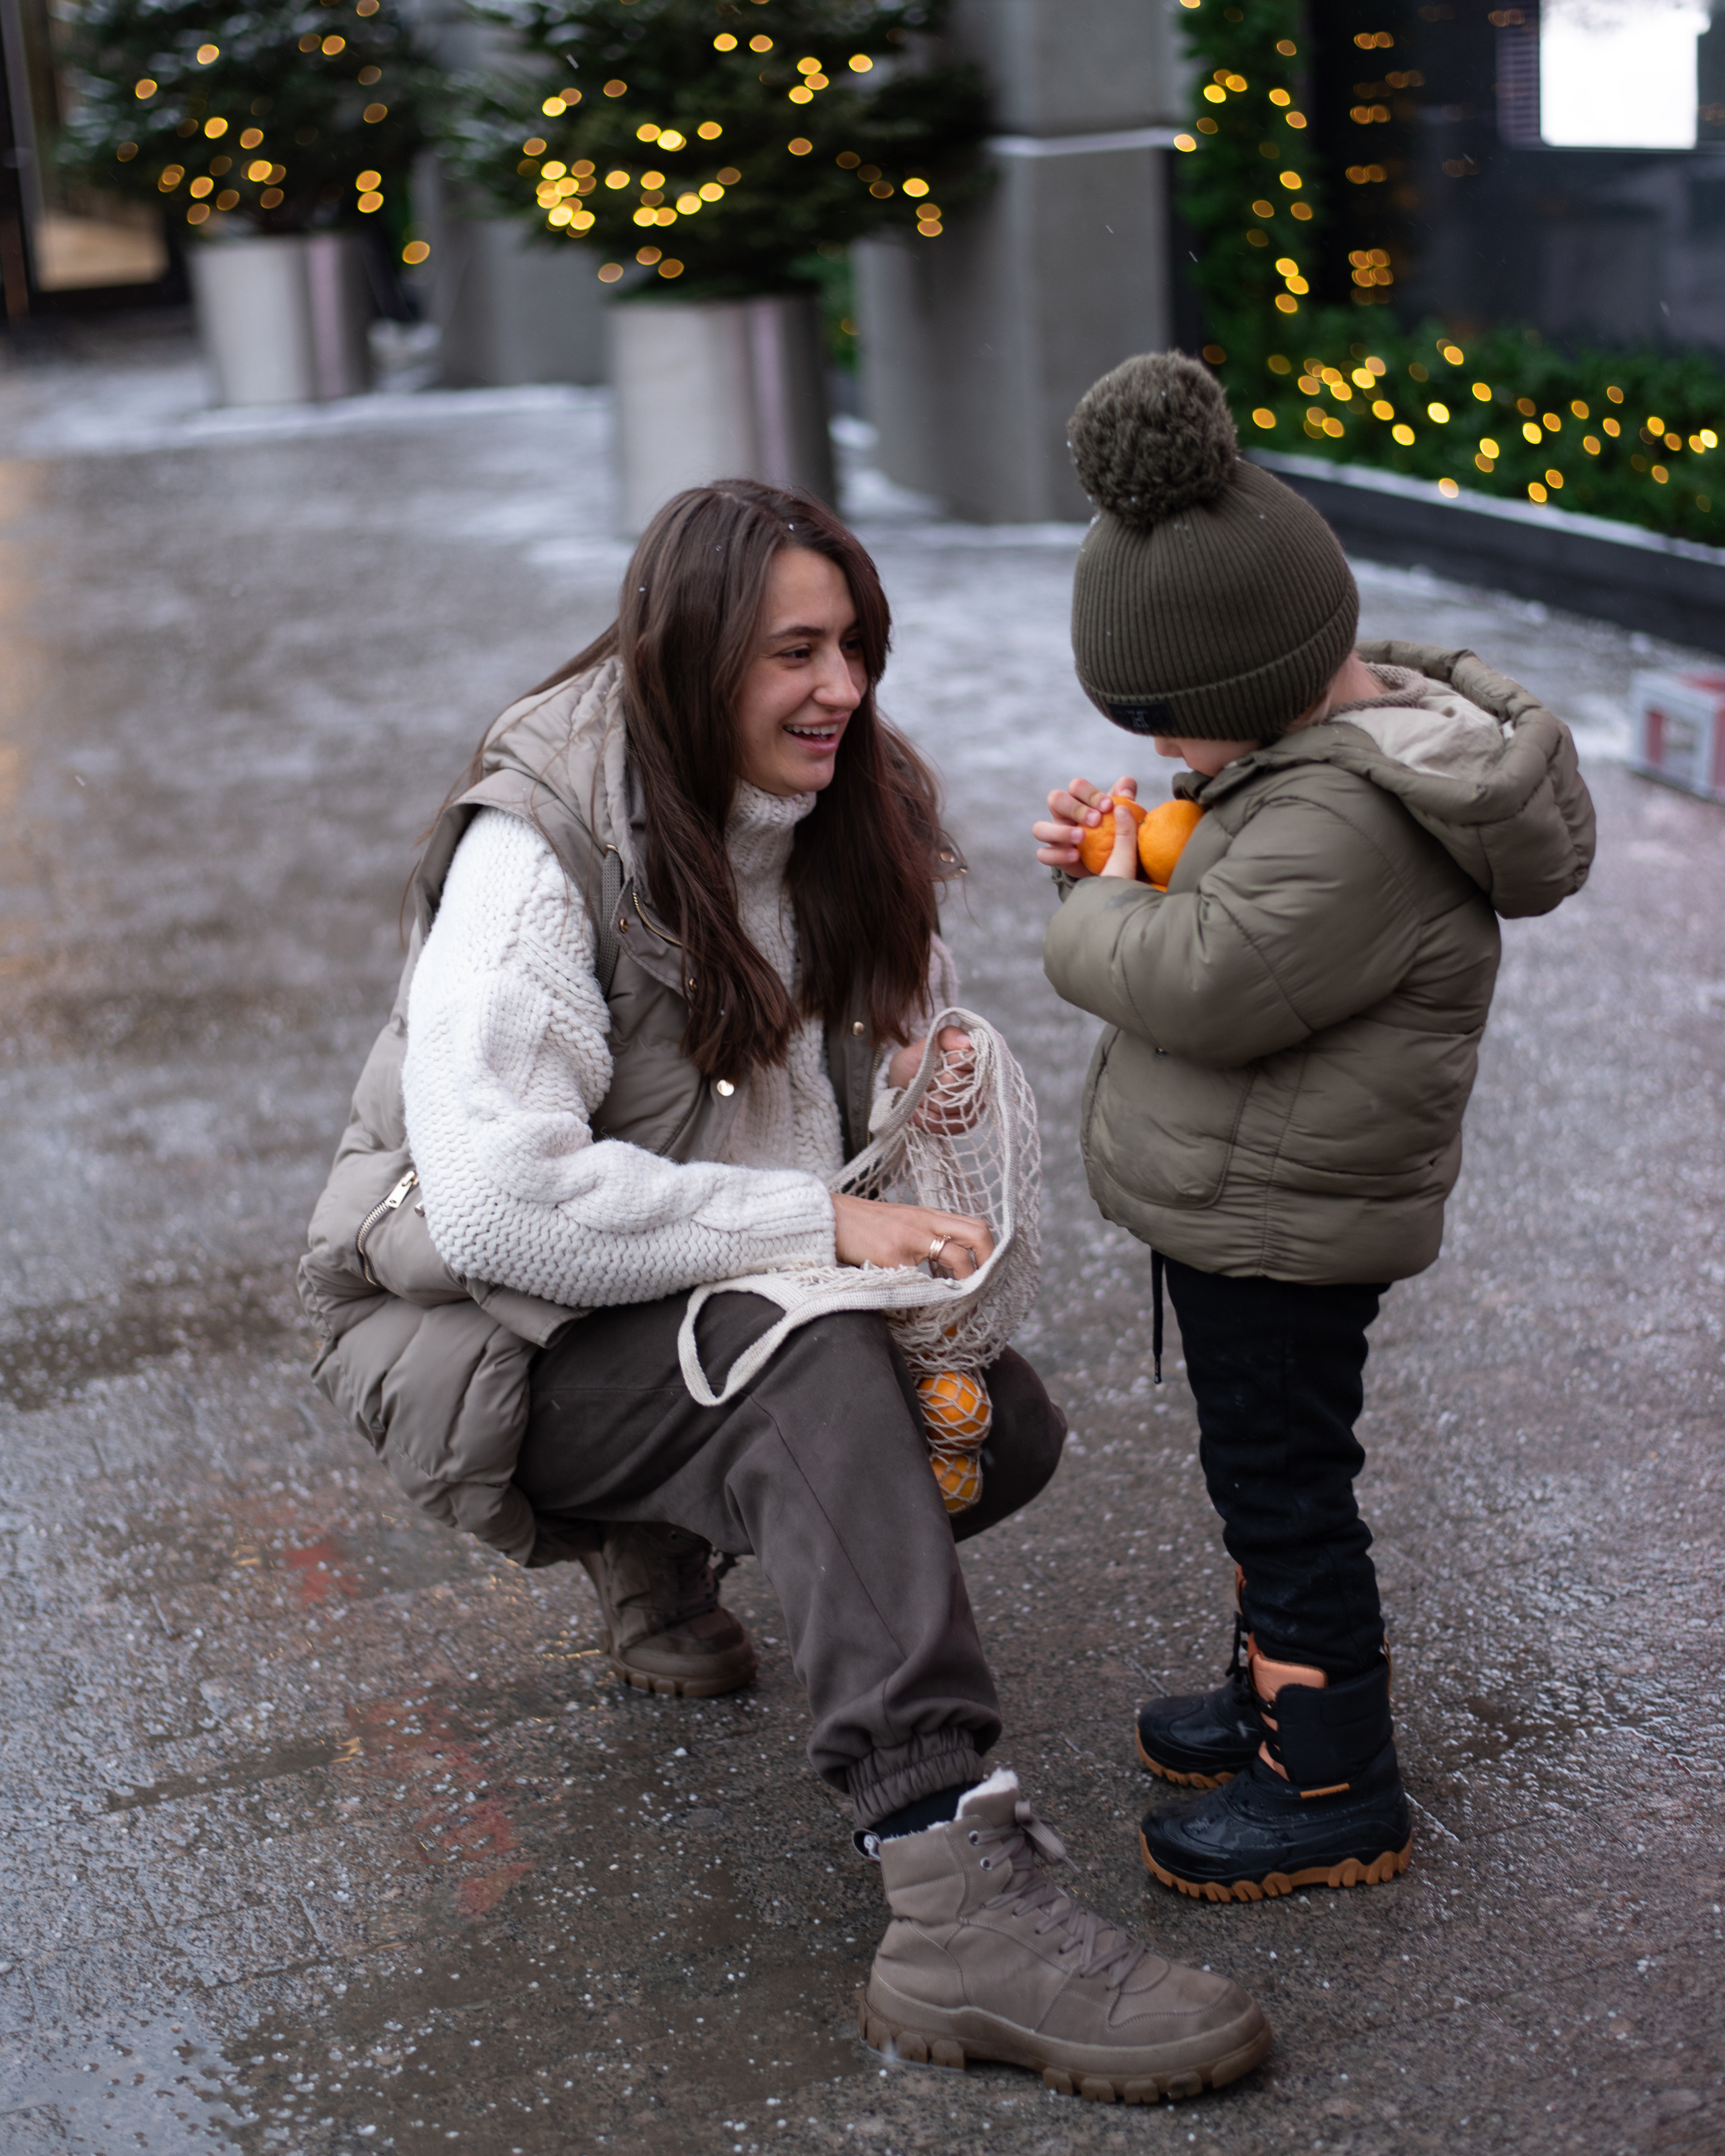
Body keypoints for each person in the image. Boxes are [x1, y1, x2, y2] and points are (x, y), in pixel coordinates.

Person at [299, 478, 1270, 2101]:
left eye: (855, 647)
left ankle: (656, 1541)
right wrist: (822, 1227)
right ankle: (952, 1897)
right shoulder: (538, 850)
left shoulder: (846, 805)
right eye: (794, 653)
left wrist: (924, 1105)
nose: (840, 689)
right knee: (808, 1371)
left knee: (996, 1430)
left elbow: (860, 1101)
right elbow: (494, 1207)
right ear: (689, 658)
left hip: (669, 1287)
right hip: (476, 1332)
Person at [1033, 352, 1595, 1903]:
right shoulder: (1308, 759)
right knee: (1258, 1471)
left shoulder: (1337, 819)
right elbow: (1234, 893)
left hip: (1284, 1223)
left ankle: (1332, 1780)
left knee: (1283, 1488)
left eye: (1171, 732)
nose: (1168, 761)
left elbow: (1204, 978)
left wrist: (1093, 902)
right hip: (1264, 1198)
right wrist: (1138, 851)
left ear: (1249, 691)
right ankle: (1270, 1694)